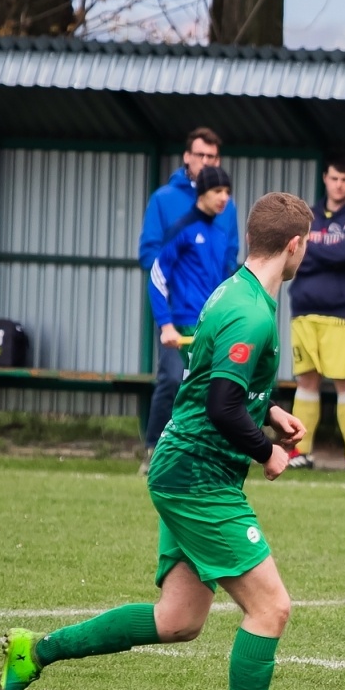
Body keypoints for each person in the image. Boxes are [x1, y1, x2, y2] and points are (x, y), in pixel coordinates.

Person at [0, 193, 317, 690]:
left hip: (185, 465)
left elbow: (212, 381)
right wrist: (268, 450)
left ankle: (34, 652)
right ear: (294, 245)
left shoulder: (233, 290)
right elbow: (222, 405)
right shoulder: (252, 311)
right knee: (271, 608)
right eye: (306, 246)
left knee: (178, 621)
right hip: (198, 472)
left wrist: (269, 410)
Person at [138, 127, 241, 471]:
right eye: (201, 155)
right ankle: (153, 451)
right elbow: (155, 265)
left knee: (209, 390)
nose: (223, 197)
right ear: (187, 156)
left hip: (210, 321)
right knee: (171, 380)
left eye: (212, 157)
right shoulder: (168, 204)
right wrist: (165, 320)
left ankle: (199, 454)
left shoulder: (223, 217)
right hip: (178, 318)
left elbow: (229, 263)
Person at [286, 151, 345, 471]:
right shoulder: (305, 216)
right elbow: (295, 251)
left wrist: (315, 250)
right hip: (304, 311)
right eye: (334, 178)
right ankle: (300, 452)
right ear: (324, 178)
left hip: (344, 314)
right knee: (306, 381)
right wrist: (330, 252)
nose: (339, 185)